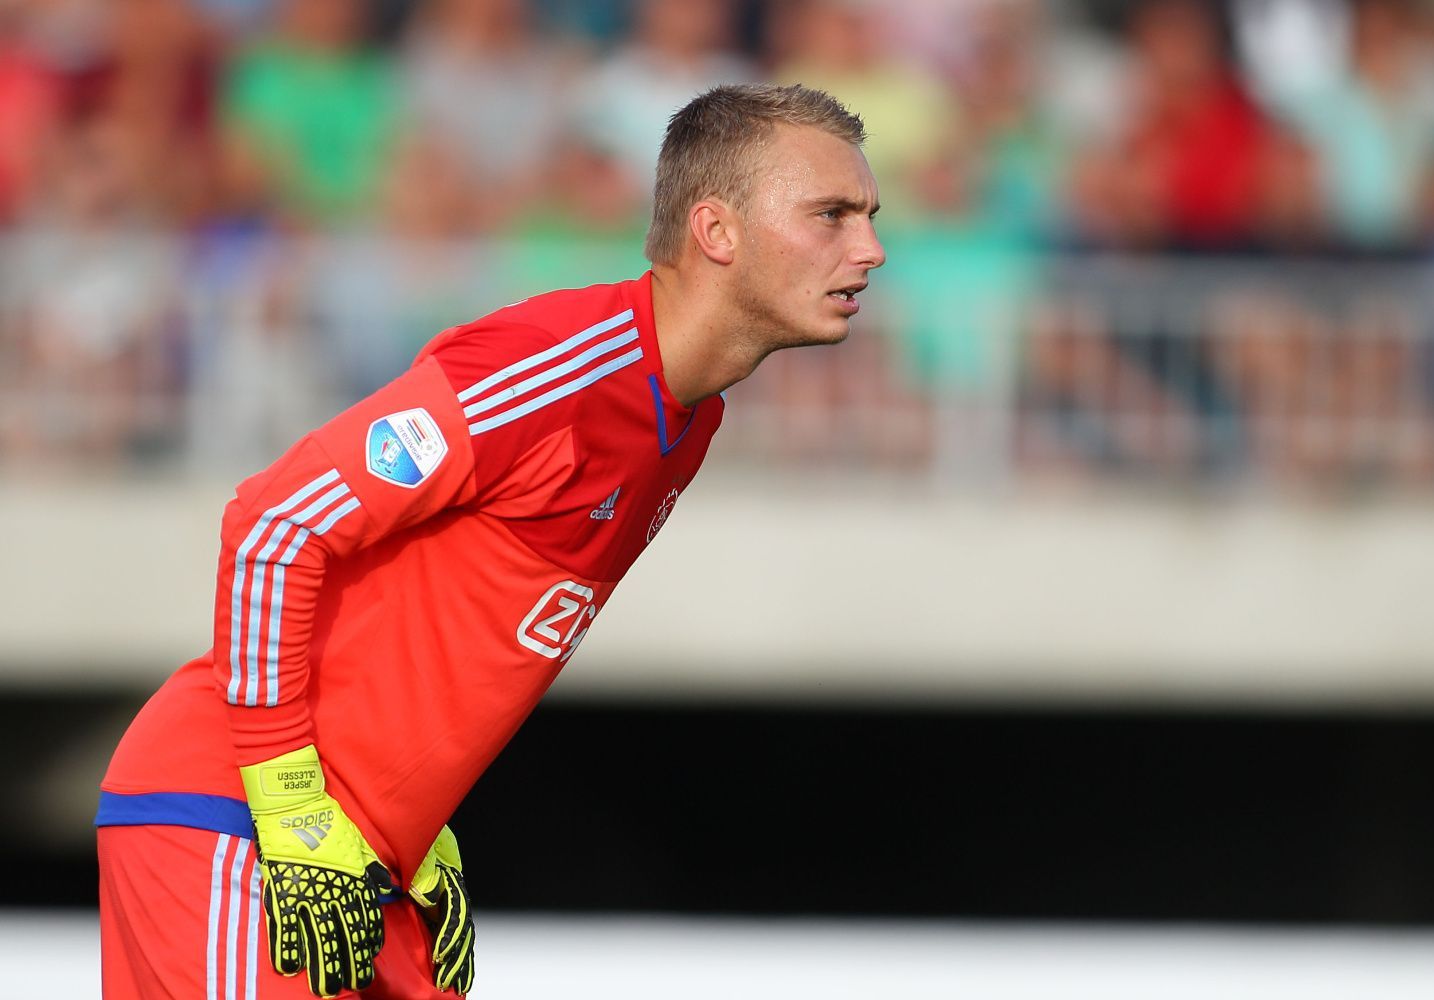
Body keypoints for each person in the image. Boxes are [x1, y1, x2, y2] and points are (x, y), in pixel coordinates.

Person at [95, 82, 885, 1000]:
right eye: (832, 214)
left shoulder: (688, 418)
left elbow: (453, 631)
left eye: (868, 216)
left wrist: (421, 828)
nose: (869, 248)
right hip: (236, 823)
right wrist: (290, 803)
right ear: (716, 231)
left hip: (368, 865)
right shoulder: (560, 365)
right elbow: (275, 524)